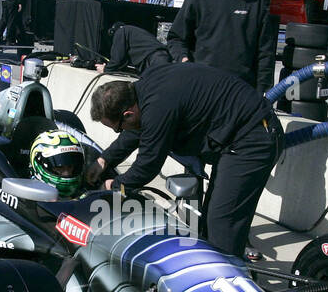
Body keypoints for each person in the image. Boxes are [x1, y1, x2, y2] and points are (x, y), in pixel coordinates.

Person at [89, 63, 283, 258]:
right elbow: (137, 131)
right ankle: (216, 267)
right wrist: (104, 160)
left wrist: (115, 185)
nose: (121, 132)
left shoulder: (157, 106)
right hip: (236, 136)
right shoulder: (141, 92)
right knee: (211, 222)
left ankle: (224, 278)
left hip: (253, 139)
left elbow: (148, 164)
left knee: (222, 223)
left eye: (118, 128)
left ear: (128, 114)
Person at [166, 0, 276, 93]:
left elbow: (266, 52)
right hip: (201, 87)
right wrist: (184, 60)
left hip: (240, 90)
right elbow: (176, 38)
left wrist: (263, 92)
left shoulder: (255, 0)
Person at [28, 130, 87, 198]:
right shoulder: (27, 196)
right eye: (59, 167)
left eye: (70, 166)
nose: (67, 173)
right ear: (40, 163)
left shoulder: (84, 195)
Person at [97, 23, 172, 75]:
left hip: (155, 60)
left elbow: (117, 58)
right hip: (161, 57)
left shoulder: (121, 31)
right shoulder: (133, 32)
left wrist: (106, 69)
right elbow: (123, 61)